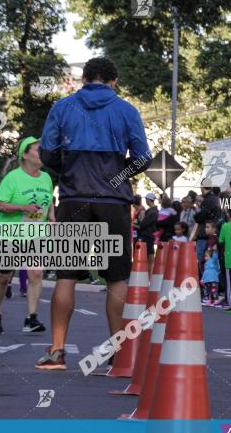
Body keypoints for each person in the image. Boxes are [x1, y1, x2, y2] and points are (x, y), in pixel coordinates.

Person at [38, 56, 152, 370]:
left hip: (74, 199)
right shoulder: (126, 110)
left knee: (66, 275)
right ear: (114, 81)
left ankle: (57, 351)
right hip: (114, 202)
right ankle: (118, 351)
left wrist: (68, 172)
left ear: (84, 79)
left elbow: (47, 152)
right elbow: (143, 158)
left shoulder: (62, 107)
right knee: (116, 278)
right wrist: (117, 177)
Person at [0, 137, 55, 335]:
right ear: (25, 154)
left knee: (36, 273)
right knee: (3, 277)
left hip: (35, 234)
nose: (42, 153)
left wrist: (51, 215)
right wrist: (22, 207)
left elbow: (48, 201)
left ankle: (31, 318)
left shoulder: (46, 178)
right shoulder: (12, 178)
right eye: (38, 149)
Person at [193, 183, 222, 278]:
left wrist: (197, 214)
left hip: (204, 236)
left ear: (202, 187)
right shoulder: (215, 199)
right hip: (212, 235)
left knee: (203, 259)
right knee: (211, 260)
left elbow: (200, 217)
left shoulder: (208, 200)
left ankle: (205, 282)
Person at [135, 193, 158, 275]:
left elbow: (143, 224)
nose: (145, 201)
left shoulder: (152, 212)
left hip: (148, 236)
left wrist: (136, 224)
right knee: (148, 257)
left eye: (146, 199)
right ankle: (148, 275)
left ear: (148, 200)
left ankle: (149, 276)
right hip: (148, 235)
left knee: (149, 257)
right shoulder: (151, 210)